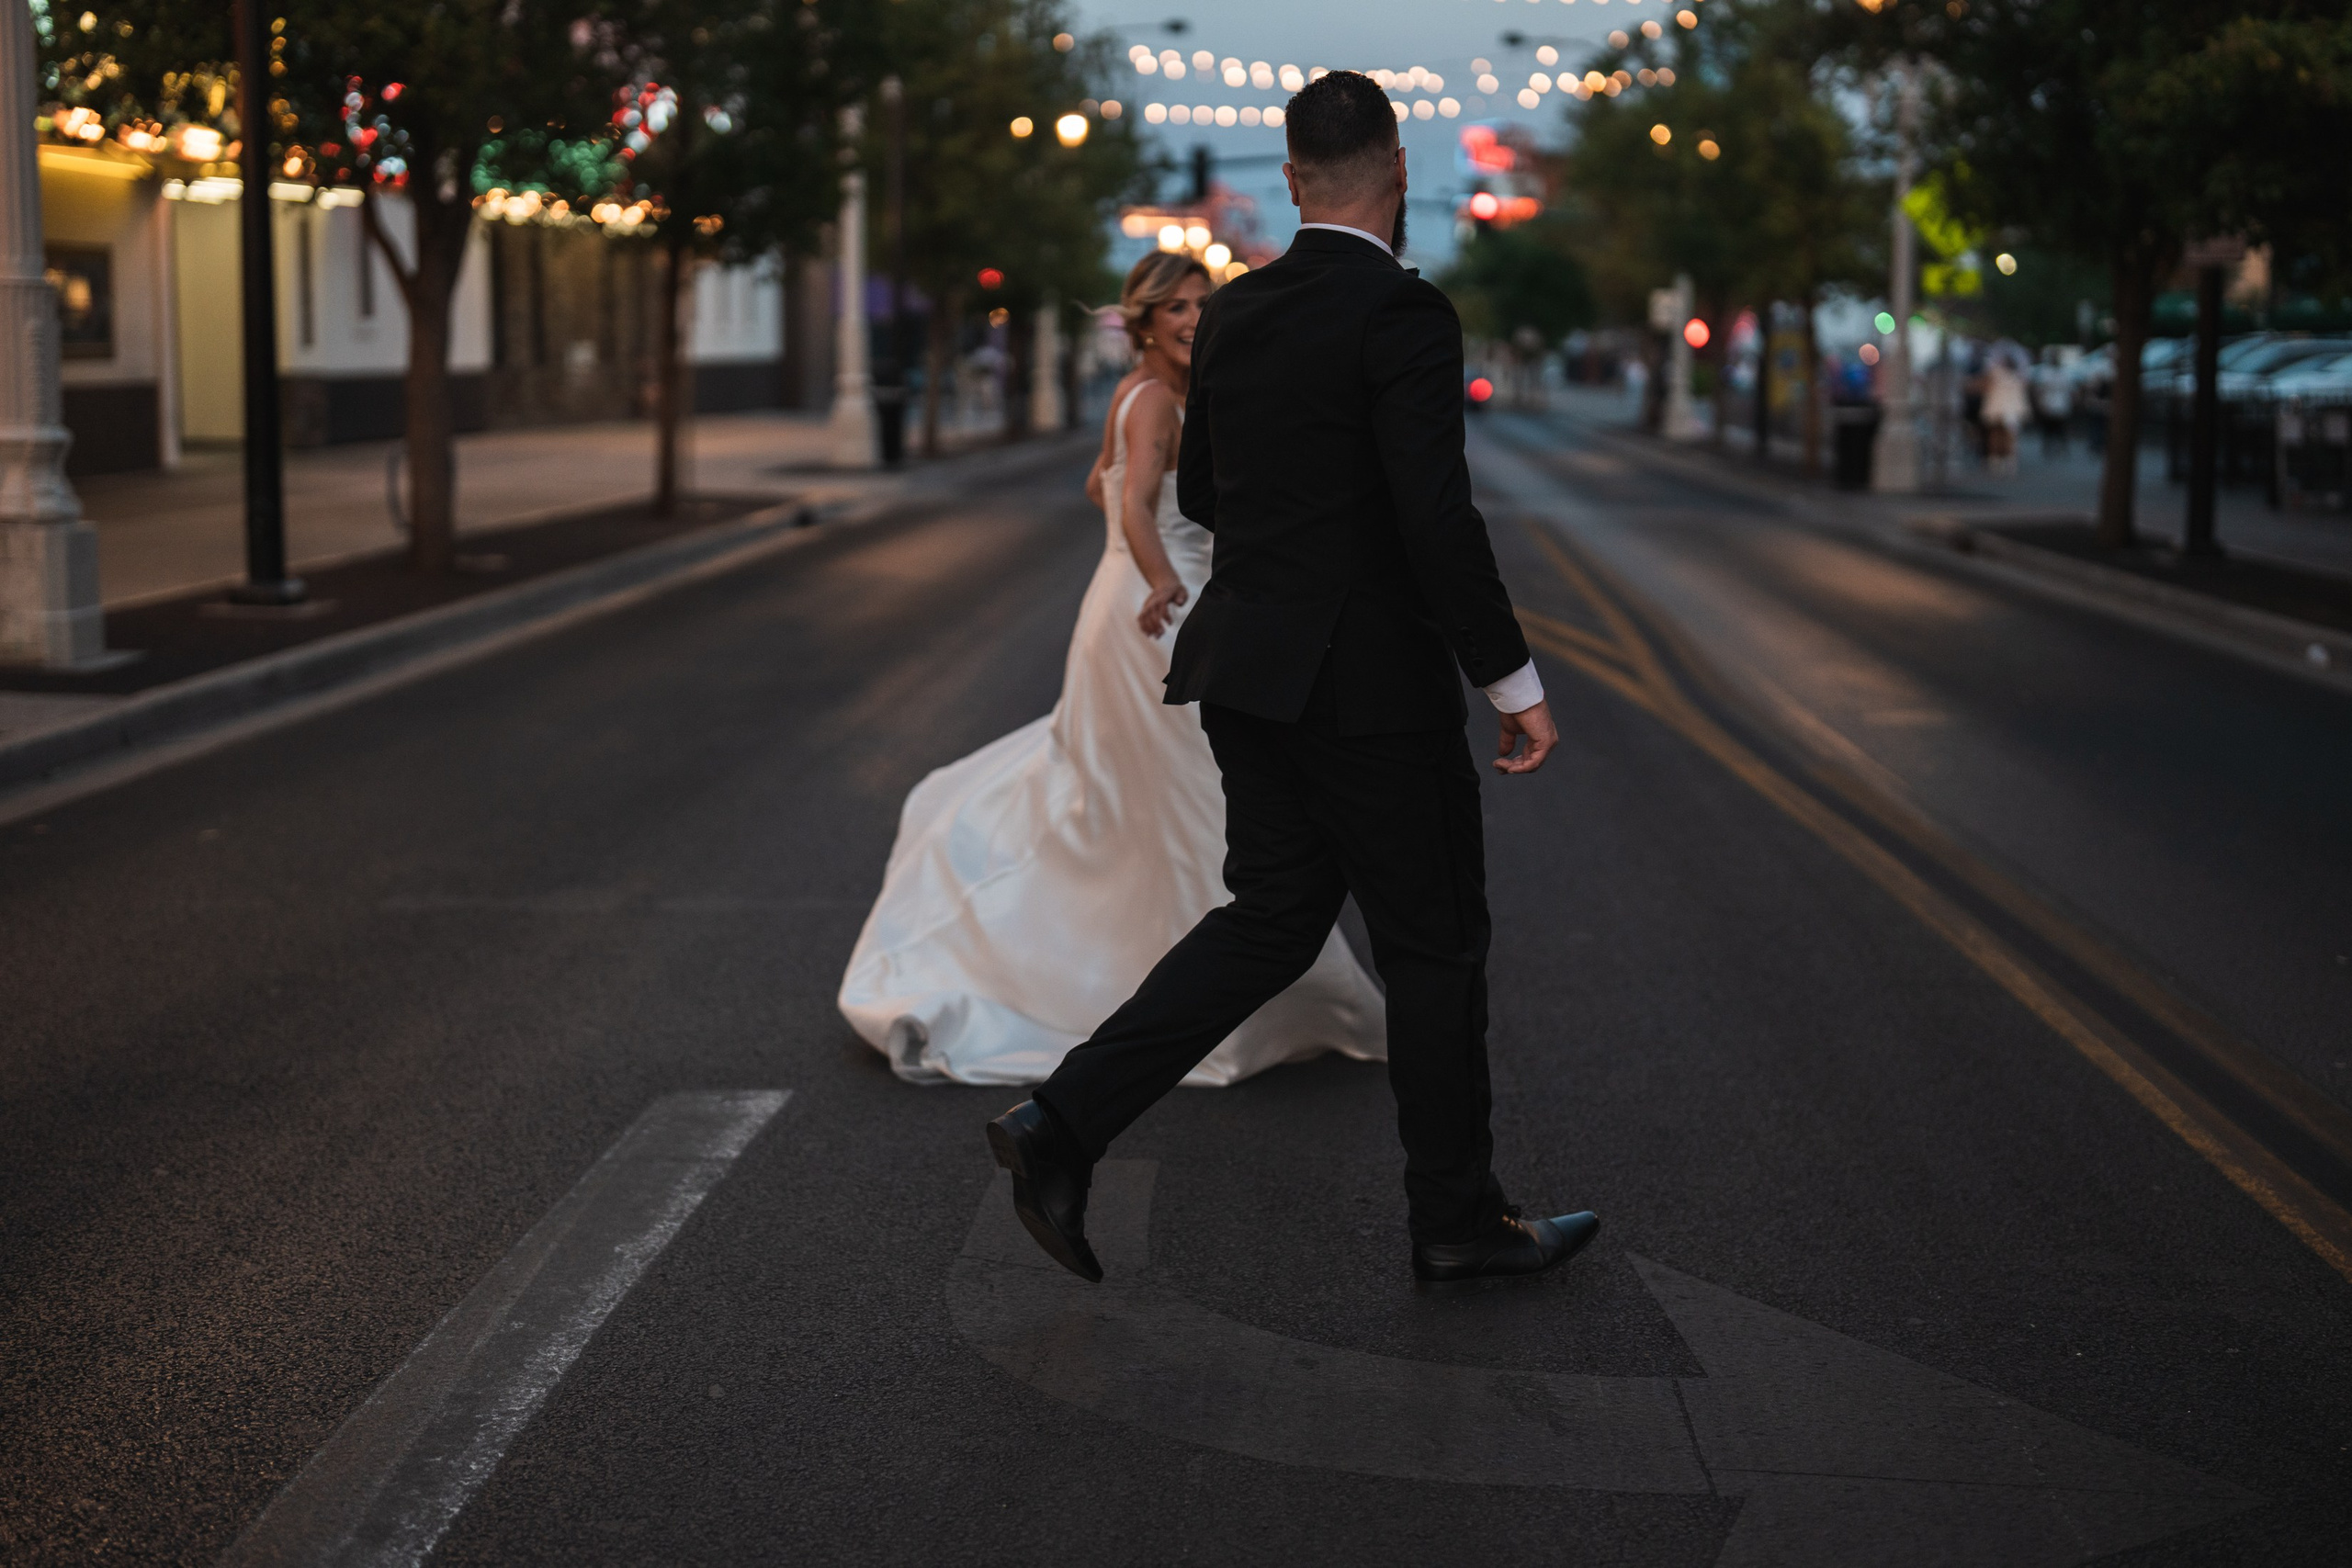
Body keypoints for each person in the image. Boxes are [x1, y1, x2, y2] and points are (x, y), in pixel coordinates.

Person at [985, 71, 1600, 1289]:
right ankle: (1457, 1217)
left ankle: (1060, 1121)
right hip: (1370, 690)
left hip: (1248, 673)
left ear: (1292, 175)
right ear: (1400, 174)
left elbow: (1207, 494)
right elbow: (1435, 514)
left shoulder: (1241, 316)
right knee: (1433, 945)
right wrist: (1511, 680)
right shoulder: (1406, 316)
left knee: (1269, 919)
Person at [837, 252, 1385, 1088]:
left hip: (1134, 603)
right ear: (1145, 321)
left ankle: (1181, 986)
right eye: (1178, 308)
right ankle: (1185, 996)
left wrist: (1154, 550)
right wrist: (1162, 570)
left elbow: (1098, 483)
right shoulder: (1157, 400)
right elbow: (1126, 499)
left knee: (1146, 801)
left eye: (1205, 304)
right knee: (1193, 799)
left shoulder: (1147, 393)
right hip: (1151, 619)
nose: (1196, 319)